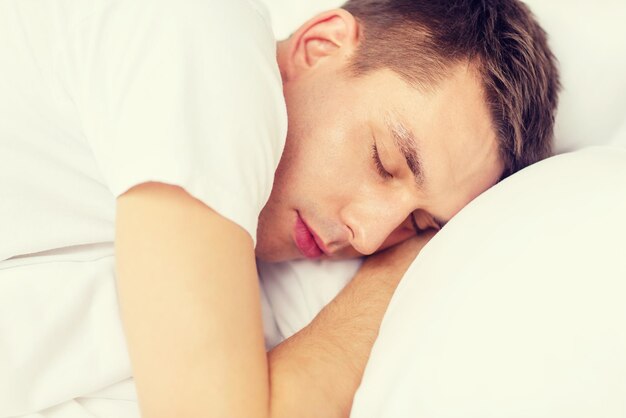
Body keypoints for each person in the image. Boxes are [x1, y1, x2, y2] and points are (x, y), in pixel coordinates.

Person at [0, 0, 559, 417]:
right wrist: (392, 279)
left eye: (417, 225)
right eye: (385, 161)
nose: (368, 237)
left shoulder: (251, 306)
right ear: (321, 45)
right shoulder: (205, 36)